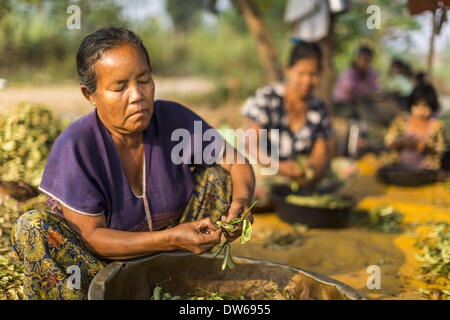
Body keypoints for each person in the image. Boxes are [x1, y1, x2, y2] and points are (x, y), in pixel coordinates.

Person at [10, 27, 255, 300]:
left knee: (219, 176)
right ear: (89, 94)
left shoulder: (173, 120)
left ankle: (181, 286)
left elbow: (235, 160)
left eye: (144, 80)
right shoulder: (77, 146)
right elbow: (93, 236)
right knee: (32, 227)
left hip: (175, 262)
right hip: (103, 274)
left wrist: (242, 202)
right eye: (119, 87)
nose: (137, 95)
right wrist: (171, 237)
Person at [241, 40, 357, 208]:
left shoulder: (319, 108)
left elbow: (321, 152)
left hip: (303, 176)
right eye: (301, 73)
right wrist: (280, 166)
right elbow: (251, 145)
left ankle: (294, 198)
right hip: (271, 170)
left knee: (348, 170)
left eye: (313, 75)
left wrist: (313, 171)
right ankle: (283, 199)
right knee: (251, 189)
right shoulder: (267, 98)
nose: (307, 81)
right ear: (288, 69)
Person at [382, 79, 446, 170]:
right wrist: (403, 143)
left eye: (425, 107)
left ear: (432, 106)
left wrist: (426, 147)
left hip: (425, 172)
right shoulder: (402, 121)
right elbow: (388, 141)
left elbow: (440, 150)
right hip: (400, 169)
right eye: (417, 106)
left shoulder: (437, 126)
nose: (421, 111)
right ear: (412, 105)